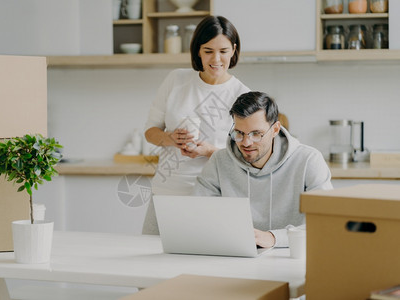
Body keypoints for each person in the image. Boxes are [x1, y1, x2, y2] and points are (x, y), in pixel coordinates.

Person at [142, 16, 250, 234]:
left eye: (223, 50)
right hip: (166, 192)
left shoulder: (243, 95)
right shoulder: (176, 80)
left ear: (234, 50)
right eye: (208, 50)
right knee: (150, 261)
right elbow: (150, 132)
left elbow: (247, 155)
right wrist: (170, 138)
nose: (216, 59)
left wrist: (210, 151)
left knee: (202, 264)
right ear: (197, 51)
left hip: (213, 196)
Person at [194, 91, 333, 248]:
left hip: (290, 255)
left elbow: (325, 222)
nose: (246, 143)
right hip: (234, 253)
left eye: (256, 134)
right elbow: (199, 216)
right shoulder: (219, 161)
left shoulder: (309, 160)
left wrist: (274, 238)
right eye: (239, 133)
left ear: (275, 130)